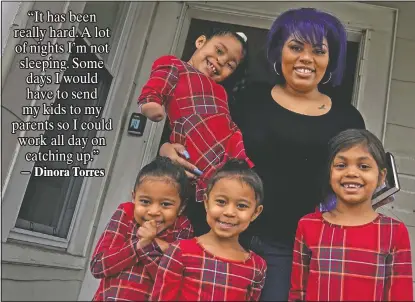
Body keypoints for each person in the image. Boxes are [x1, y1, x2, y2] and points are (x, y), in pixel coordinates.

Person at [160, 8, 366, 300]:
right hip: (219, 229)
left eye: (318, 51)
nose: (306, 58)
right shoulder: (247, 96)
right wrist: (167, 148)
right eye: (296, 47)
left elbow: (353, 179)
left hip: (286, 246)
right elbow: (199, 129)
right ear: (279, 52)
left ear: (329, 59)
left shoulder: (347, 119)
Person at [289, 129, 413, 301]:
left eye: (364, 166)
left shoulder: (394, 232)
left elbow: (400, 296)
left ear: (381, 176)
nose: (351, 173)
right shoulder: (309, 225)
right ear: (330, 172)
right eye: (341, 165)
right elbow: (298, 293)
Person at [137, 30, 253, 205]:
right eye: (219, 51)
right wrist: (151, 103)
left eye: (230, 65)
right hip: (193, 151)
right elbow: (159, 82)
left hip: (228, 150)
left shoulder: (222, 92)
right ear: (200, 41)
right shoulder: (175, 65)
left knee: (236, 182)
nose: (221, 61)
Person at [150, 159, 266, 301]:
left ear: (255, 213)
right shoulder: (180, 252)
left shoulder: (256, 267)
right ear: (206, 202)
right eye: (221, 202)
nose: (229, 212)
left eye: (241, 206)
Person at [90, 156, 193, 301]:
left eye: (165, 204)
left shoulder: (182, 227)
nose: (153, 211)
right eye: (145, 201)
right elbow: (98, 266)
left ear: (181, 207)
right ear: (134, 197)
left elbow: (172, 283)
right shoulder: (126, 213)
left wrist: (148, 246)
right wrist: (137, 245)